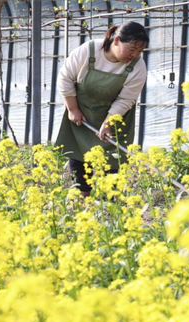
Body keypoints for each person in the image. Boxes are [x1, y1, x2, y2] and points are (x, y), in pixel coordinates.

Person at [55, 22, 149, 196]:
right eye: (132, 49)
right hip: (82, 114)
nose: (135, 54)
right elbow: (65, 79)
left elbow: (125, 99)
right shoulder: (89, 51)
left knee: (113, 164)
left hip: (116, 119)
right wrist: (73, 109)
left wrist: (108, 123)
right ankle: (82, 199)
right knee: (79, 159)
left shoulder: (138, 66)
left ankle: (111, 206)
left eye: (140, 51)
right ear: (116, 41)